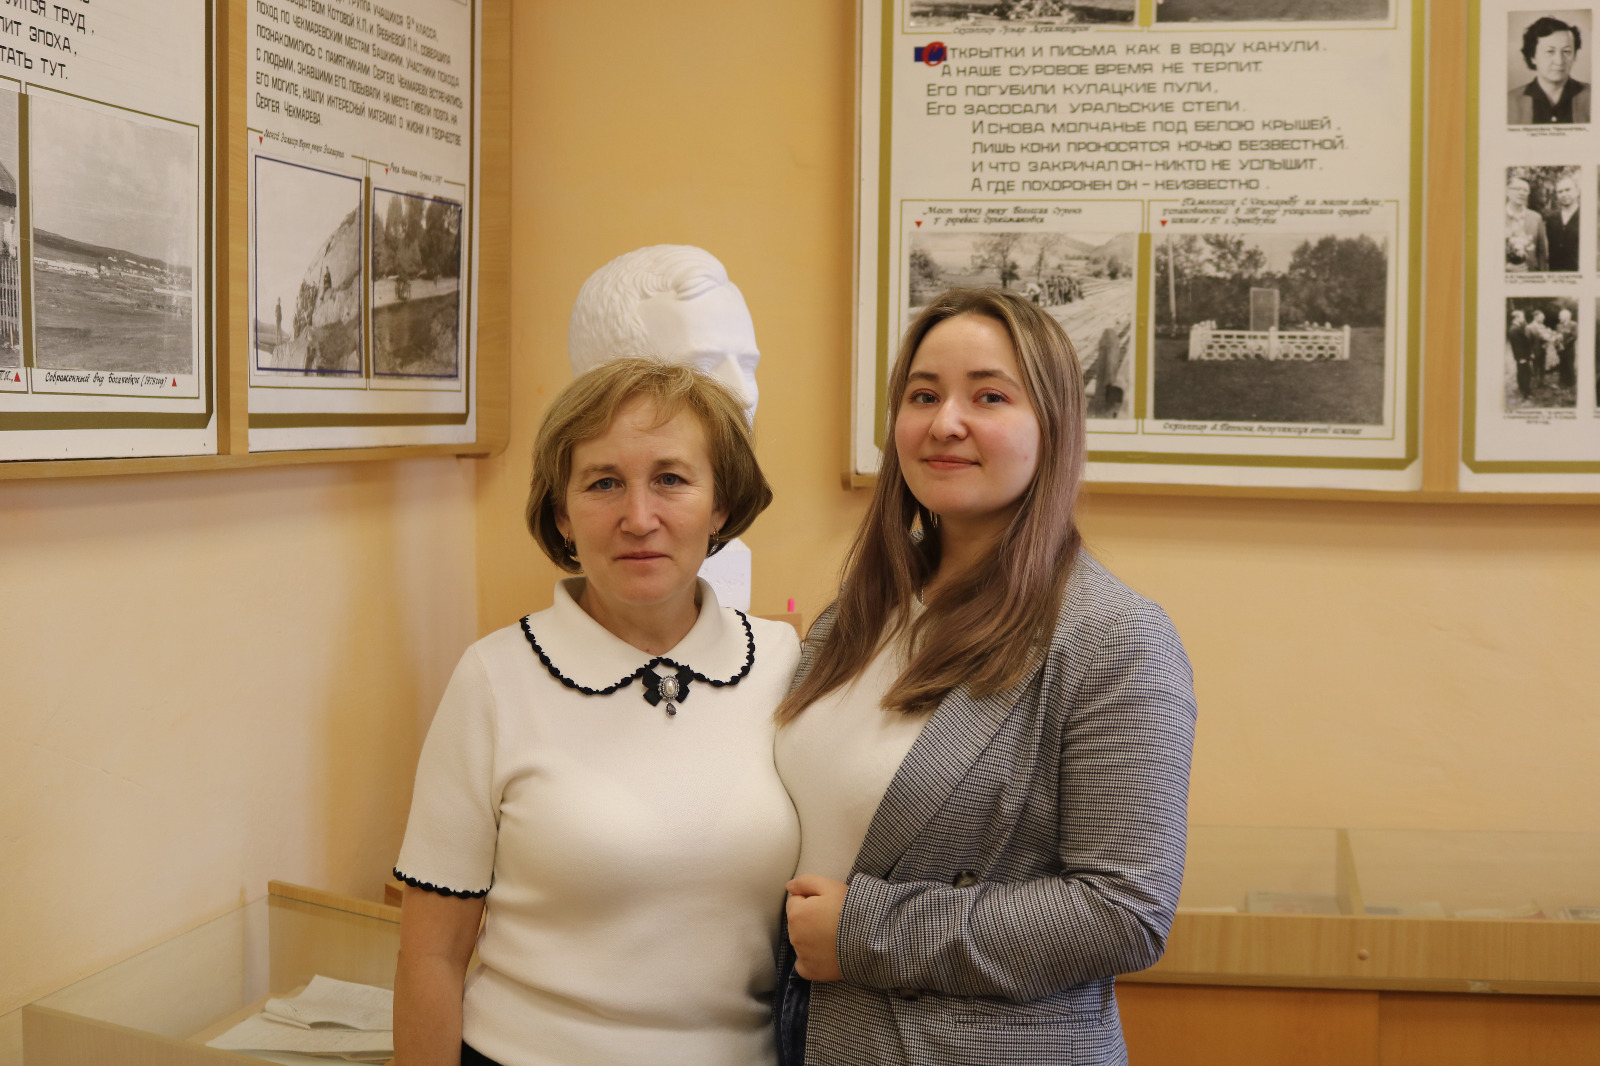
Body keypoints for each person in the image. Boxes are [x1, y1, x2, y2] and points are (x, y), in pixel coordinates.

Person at [773, 288, 1197, 1066]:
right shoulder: (853, 618)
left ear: (1052, 427)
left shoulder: (1116, 638)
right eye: (923, 395)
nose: (945, 422)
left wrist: (865, 931)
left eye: (989, 396)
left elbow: (1124, 911)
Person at [393, 359, 802, 1066]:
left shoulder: (784, 665)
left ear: (720, 506)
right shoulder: (493, 679)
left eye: (671, 479)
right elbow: (431, 957)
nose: (638, 518)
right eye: (603, 483)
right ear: (562, 514)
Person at [1509, 17, 1590, 125]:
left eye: (1566, 51)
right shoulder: (1510, 101)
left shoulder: (1593, 96)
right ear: (1533, 56)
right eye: (1550, 51)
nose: (1559, 61)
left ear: (1574, 55)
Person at [1506, 176, 1548, 272]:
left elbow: (1542, 252)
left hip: (1530, 275)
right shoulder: (1497, 217)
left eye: (1525, 190)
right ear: (1507, 191)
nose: (1522, 193)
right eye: (1517, 189)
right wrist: (1506, 267)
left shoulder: (1536, 218)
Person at [1545, 173, 1581, 272]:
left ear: (1577, 191)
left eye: (1568, 190)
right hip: (1555, 273)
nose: (1564, 194)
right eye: (1560, 192)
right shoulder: (1551, 219)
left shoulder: (1587, 217)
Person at [1508, 309, 1534, 400]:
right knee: (1525, 374)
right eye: (1522, 317)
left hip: (1523, 356)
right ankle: (1526, 393)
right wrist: (1521, 358)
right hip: (1522, 357)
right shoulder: (1514, 329)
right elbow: (1517, 346)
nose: (1524, 319)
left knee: (1523, 373)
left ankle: (1523, 390)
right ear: (1517, 318)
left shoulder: (1517, 328)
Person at [1556, 307, 1578, 388]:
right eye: (1559, 316)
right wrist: (1558, 345)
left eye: (1560, 316)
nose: (1559, 317)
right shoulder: (1558, 326)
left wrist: (1564, 345)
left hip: (1569, 349)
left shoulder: (1573, 324)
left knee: (1569, 365)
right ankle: (1562, 382)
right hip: (1560, 350)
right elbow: (1557, 336)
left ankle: (1571, 383)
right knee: (1562, 365)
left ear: (1566, 317)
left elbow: (1574, 336)